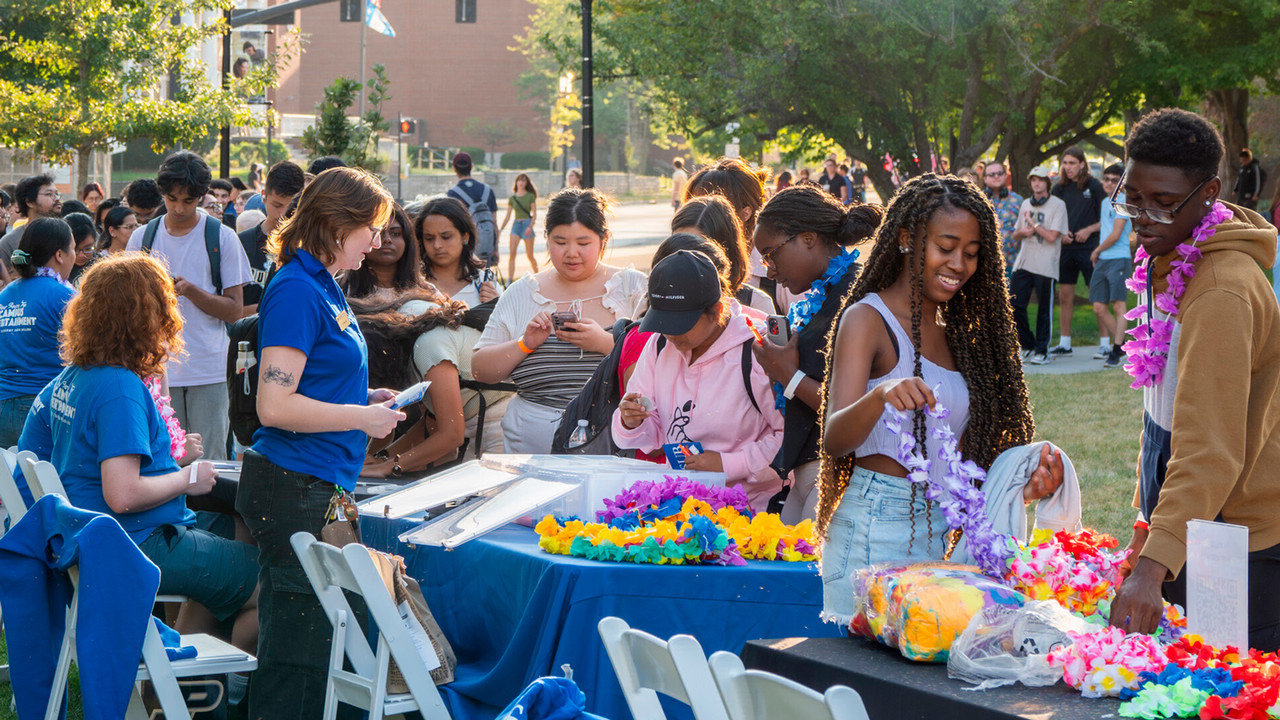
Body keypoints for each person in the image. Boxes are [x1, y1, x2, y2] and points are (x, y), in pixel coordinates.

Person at [817, 173, 1058, 622]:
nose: (959, 264)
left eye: (971, 253)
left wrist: (1018, 487)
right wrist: (882, 395)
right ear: (907, 238)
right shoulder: (867, 319)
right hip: (873, 525)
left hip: (935, 529)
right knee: (863, 681)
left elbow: (958, 455)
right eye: (945, 247)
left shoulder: (959, 337)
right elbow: (834, 438)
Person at [17, 252, 259, 670]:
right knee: (272, 578)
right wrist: (186, 480)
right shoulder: (119, 388)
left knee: (228, 528)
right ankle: (229, 695)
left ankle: (178, 684)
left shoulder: (73, 376)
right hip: (130, 541)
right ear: (148, 317)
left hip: (89, 537)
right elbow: (123, 494)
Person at [1105, 108, 1280, 653]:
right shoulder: (1165, 257)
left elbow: (1209, 449)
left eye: (1163, 203)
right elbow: (1163, 410)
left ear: (1210, 193)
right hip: (1189, 526)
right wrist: (1146, 520)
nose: (1143, 218)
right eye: (1132, 197)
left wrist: (1153, 569)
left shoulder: (1221, 292)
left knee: (1228, 695)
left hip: (1238, 540)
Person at [236, 167, 405, 719]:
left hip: (308, 481)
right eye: (371, 229)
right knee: (299, 657)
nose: (378, 243)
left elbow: (311, 381)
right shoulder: (296, 287)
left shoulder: (319, 282)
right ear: (338, 225)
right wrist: (360, 416)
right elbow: (275, 405)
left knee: (310, 648)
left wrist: (362, 396)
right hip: (295, 485)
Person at [472, 188, 648, 453]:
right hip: (530, 440)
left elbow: (661, 363)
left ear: (603, 240)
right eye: (560, 241)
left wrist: (606, 344)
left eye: (583, 242)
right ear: (546, 238)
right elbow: (480, 370)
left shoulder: (632, 287)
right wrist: (525, 344)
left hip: (612, 436)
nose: (571, 253)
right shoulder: (523, 291)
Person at [614, 250, 784, 511]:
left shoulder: (757, 350)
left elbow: (789, 440)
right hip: (680, 506)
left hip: (752, 514)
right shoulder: (659, 344)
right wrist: (631, 420)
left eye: (680, 324)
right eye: (662, 322)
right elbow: (655, 434)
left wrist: (728, 464)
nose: (670, 333)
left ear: (716, 311)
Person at [751, 185, 881, 522]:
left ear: (808, 238)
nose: (769, 270)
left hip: (840, 471)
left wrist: (788, 376)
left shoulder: (854, 299)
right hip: (809, 471)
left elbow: (857, 405)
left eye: (771, 253)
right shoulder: (825, 295)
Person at [126, 151, 253, 460]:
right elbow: (125, 305)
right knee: (161, 460)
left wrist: (193, 293)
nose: (179, 208)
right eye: (172, 199)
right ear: (162, 194)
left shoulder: (221, 237)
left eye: (189, 200)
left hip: (207, 369)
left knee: (210, 463)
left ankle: (208, 512)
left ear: (201, 196)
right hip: (154, 368)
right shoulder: (142, 237)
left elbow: (236, 310)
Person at [356, 290, 513, 476]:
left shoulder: (427, 348)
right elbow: (432, 426)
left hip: (500, 430)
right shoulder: (412, 318)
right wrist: (383, 458)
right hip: (488, 425)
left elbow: (451, 436)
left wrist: (386, 468)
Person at [0, 218, 76, 446]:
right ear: (60, 255)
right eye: (73, 248)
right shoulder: (65, 297)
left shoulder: (5, 295)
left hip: (3, 403)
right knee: (46, 478)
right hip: (43, 406)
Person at [682, 157, 775, 307]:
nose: (698, 216)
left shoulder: (776, 272)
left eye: (713, 211)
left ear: (745, 213)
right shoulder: (675, 261)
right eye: (692, 206)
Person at [671, 194, 775, 314]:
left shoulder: (756, 303)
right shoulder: (655, 298)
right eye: (679, 245)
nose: (687, 257)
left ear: (726, 250)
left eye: (699, 250)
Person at [1010, 166, 1070, 365]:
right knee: (1014, 304)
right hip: (1025, 260)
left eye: (1041, 180)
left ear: (1047, 183)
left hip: (1046, 262)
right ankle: (1027, 345)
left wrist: (1033, 225)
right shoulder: (1026, 203)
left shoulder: (1058, 205)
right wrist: (1023, 232)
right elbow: (1016, 233)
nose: (1036, 183)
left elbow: (1053, 236)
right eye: (1033, 180)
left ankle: (1042, 351)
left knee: (1044, 309)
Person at [1050, 146, 1104, 356]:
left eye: (1072, 163)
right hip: (1066, 249)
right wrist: (1062, 233)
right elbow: (1054, 217)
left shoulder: (1095, 185)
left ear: (1082, 164)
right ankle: (1065, 342)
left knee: (1096, 295)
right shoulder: (1059, 188)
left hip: (1090, 248)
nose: (1068, 167)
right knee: (1065, 296)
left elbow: (1105, 219)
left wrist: (1088, 230)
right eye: (1065, 163)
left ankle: (1105, 343)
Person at [239, 159, 306, 314]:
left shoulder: (309, 247)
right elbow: (230, 308)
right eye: (277, 205)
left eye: (292, 207)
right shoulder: (242, 242)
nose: (282, 214)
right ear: (263, 196)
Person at [417, 196, 500, 308]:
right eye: (429, 238)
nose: (437, 245)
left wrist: (497, 306)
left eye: (446, 237)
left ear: (465, 237)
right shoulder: (414, 284)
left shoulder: (485, 285)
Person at [1089, 163, 1133, 368]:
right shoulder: (1105, 202)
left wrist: (1096, 250)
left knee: (1118, 304)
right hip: (1104, 259)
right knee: (1098, 306)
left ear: (1122, 183)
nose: (1109, 183)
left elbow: (1116, 235)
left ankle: (1116, 350)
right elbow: (1105, 227)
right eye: (1106, 179)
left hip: (1118, 258)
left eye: (1115, 180)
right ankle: (1123, 345)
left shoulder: (1122, 202)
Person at [340, 203, 425, 300]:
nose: (387, 239)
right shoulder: (339, 289)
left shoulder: (427, 292)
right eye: (379, 233)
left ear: (407, 240)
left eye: (395, 233)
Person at [0, 174, 63, 280]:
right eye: (49, 194)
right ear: (29, 202)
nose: (56, 199)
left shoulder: (66, 234)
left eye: (57, 194)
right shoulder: (9, 242)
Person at [447, 151, 499, 267]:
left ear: (454, 168)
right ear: (471, 167)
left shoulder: (452, 194)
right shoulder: (487, 190)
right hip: (486, 249)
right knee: (485, 282)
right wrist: (495, 250)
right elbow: (494, 223)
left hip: (465, 252)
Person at [981, 161, 1024, 279]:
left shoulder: (1018, 201)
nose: (996, 176)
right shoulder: (977, 200)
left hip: (1010, 263)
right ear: (984, 179)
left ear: (1005, 176)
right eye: (992, 174)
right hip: (983, 262)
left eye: (999, 173)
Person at [499, 173, 539, 279]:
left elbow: (534, 214)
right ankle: (509, 280)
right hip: (516, 225)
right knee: (512, 254)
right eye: (519, 180)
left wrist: (530, 227)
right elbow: (507, 216)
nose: (521, 183)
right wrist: (500, 229)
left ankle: (538, 276)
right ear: (516, 182)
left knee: (530, 255)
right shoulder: (512, 198)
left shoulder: (530, 196)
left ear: (527, 183)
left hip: (527, 224)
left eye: (524, 180)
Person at [63, 212, 96, 286]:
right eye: (75, 250)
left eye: (87, 249)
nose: (81, 255)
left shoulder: (102, 267)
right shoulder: (54, 270)